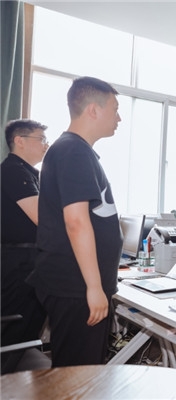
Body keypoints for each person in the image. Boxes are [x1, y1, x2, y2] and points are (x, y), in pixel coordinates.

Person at [27, 76, 123, 367]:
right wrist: (93, 287)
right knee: (78, 375)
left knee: (79, 371)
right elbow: (76, 222)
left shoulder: (75, 150)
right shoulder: (74, 151)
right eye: (115, 109)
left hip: (75, 284)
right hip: (76, 286)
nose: (118, 118)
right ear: (93, 110)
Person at [1, 119, 49, 346]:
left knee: (28, 328)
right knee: (16, 329)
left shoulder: (27, 172)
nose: (46, 145)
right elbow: (42, 217)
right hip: (19, 263)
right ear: (19, 141)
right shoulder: (14, 170)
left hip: (25, 260)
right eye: (41, 139)